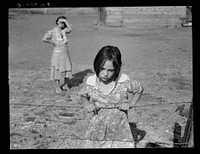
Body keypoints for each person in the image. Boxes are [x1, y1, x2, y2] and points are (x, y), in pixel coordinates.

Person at [78, 45, 143, 147]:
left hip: (120, 129)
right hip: (97, 128)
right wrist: (86, 103)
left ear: (116, 68)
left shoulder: (123, 81)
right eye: (102, 69)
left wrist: (130, 103)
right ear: (96, 65)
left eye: (110, 70)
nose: (105, 74)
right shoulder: (91, 82)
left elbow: (139, 89)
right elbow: (83, 94)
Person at [42, 16, 72, 94]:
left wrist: (65, 21)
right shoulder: (52, 31)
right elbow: (44, 39)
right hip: (57, 52)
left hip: (65, 52)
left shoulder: (64, 31)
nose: (62, 24)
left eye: (63, 23)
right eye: (60, 22)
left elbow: (70, 29)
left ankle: (65, 84)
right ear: (57, 22)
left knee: (66, 67)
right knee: (57, 69)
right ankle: (57, 86)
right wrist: (53, 42)